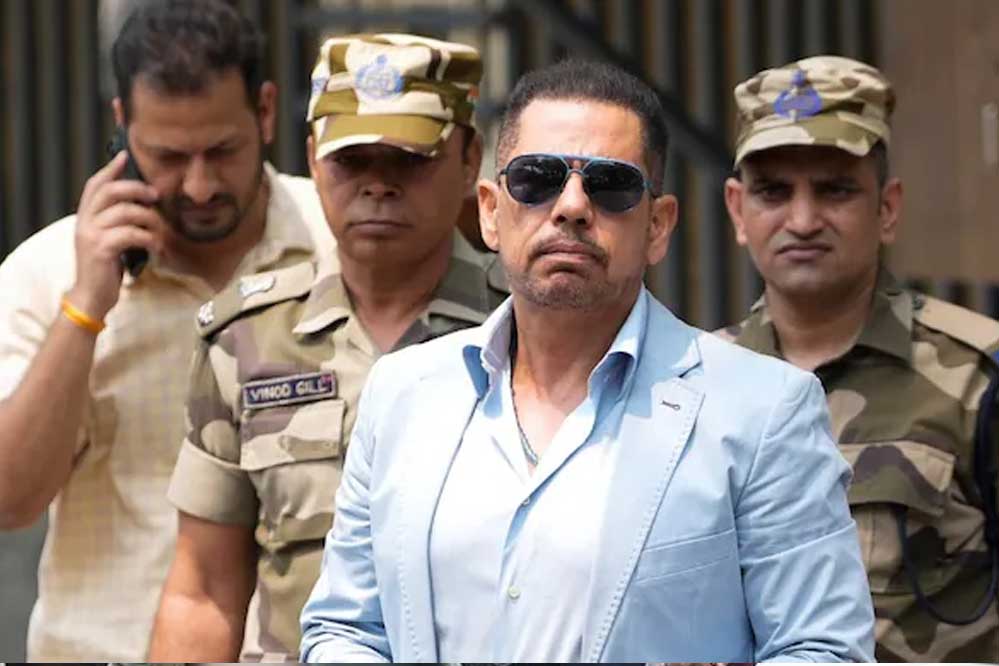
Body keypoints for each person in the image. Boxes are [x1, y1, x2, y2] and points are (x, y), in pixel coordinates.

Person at [299, 58, 875, 663]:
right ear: (490, 211)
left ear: (659, 226)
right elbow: (344, 629)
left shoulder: (763, 412)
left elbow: (824, 649)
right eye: (537, 179)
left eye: (611, 185)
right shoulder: (401, 394)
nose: (572, 205)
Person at [150, 34, 506, 662]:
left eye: (409, 159)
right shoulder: (246, 337)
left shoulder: (524, 327)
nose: (378, 186)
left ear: (468, 160)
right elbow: (204, 590)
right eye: (352, 160)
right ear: (313, 159)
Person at [0, 1, 332, 661]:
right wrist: (86, 308)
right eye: (169, 157)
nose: (200, 186)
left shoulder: (337, 248)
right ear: (122, 127)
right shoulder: (45, 273)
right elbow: (10, 500)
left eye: (222, 151)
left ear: (266, 112)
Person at [719, 55, 999, 662]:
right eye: (773, 191)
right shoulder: (696, 385)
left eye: (835, 189)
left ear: (887, 208)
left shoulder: (978, 376)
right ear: (738, 210)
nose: (802, 220)